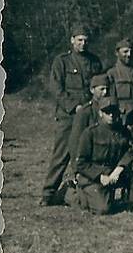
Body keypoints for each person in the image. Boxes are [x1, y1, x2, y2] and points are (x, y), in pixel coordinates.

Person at [43, 23, 103, 206]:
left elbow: (100, 86)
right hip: (69, 116)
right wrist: (73, 106)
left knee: (88, 153)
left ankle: (83, 191)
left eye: (85, 40)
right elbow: (56, 88)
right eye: (79, 40)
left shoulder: (95, 61)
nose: (83, 44)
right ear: (72, 41)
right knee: (61, 154)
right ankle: (48, 193)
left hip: (89, 115)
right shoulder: (62, 62)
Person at [74, 99, 133, 214]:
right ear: (100, 113)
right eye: (107, 112)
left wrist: (120, 168)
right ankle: (72, 193)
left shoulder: (123, 131)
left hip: (115, 173)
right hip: (95, 177)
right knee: (103, 209)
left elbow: (131, 150)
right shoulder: (90, 133)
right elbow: (81, 163)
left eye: (114, 112)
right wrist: (99, 176)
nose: (111, 115)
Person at [105, 38, 133, 127]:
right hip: (120, 115)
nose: (129, 55)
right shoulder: (112, 73)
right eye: (125, 52)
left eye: (131, 52)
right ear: (117, 53)